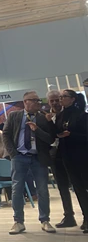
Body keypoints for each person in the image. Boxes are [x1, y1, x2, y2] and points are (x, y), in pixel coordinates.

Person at [3, 91, 57, 235]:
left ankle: (45, 220)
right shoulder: (14, 116)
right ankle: (18, 221)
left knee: (42, 190)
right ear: (25, 102)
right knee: (17, 189)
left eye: (39, 100)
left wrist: (36, 130)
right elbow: (6, 134)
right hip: (19, 157)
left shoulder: (43, 118)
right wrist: (13, 153)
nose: (38, 103)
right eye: (35, 100)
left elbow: (50, 139)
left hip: (38, 157)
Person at [56, 89, 88, 232]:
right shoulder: (60, 116)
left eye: (64, 97)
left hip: (82, 156)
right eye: (60, 97)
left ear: (73, 99)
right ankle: (86, 217)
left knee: (85, 187)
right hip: (67, 157)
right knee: (79, 189)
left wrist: (71, 135)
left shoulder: (82, 115)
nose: (61, 99)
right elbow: (56, 132)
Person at [45, 90, 77, 228]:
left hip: (72, 152)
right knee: (62, 186)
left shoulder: (70, 114)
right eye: (51, 101)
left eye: (57, 100)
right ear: (48, 102)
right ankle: (69, 215)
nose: (55, 103)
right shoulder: (46, 117)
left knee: (79, 184)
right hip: (54, 153)